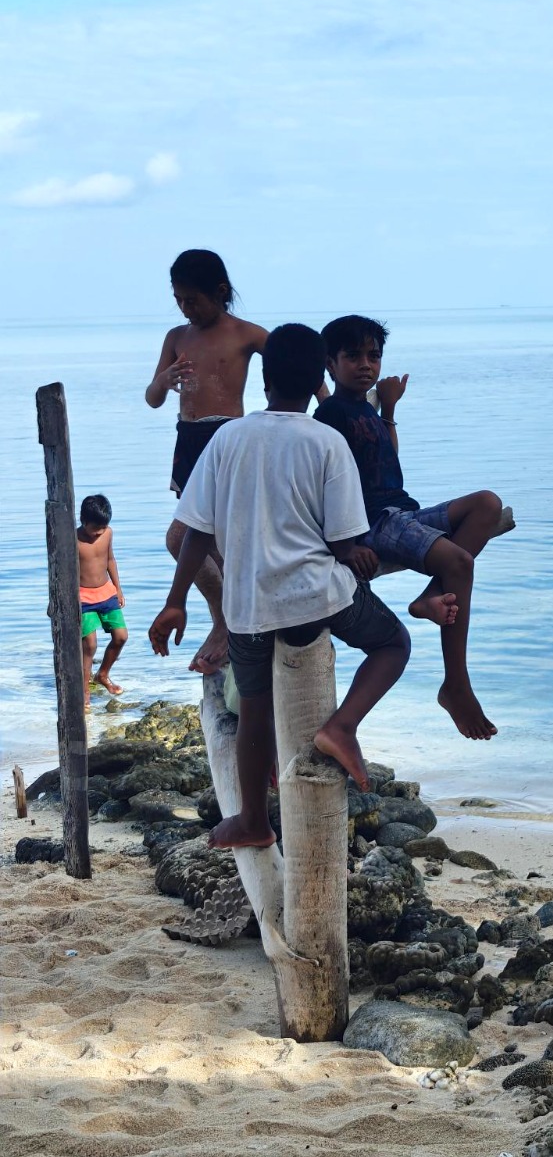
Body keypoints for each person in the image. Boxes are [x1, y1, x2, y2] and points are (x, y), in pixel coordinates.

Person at [148, 323, 411, 847]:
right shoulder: (327, 441)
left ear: (262, 379)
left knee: (255, 706)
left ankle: (253, 821)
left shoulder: (228, 437)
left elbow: (195, 529)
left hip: (248, 608)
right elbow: (344, 539)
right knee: (391, 644)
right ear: (320, 376)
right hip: (318, 597)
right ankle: (341, 727)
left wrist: (175, 602)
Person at [315, 314, 509, 743]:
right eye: (353, 357)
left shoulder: (364, 408)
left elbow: (388, 459)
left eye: (374, 356)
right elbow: (325, 483)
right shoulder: (329, 413)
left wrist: (389, 408)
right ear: (330, 363)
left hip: (401, 510)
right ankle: (455, 684)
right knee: (459, 562)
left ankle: (429, 595)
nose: (366, 364)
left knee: (487, 506)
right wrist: (345, 545)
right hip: (374, 522)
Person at [144, 249, 268, 677]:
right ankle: (228, 624)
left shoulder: (246, 334)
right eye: (178, 299)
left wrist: (325, 406)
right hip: (189, 438)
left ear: (220, 292)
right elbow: (153, 398)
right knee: (208, 543)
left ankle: (225, 625)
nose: (185, 307)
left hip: (228, 437)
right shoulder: (177, 337)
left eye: (192, 299)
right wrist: (164, 380)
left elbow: (295, 366)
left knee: (184, 538)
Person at [76, 493, 127, 701]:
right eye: (95, 528)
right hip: (83, 597)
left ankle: (102, 674)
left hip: (106, 592)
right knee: (89, 644)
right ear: (84, 521)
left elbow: (110, 560)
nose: (99, 533)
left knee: (121, 636)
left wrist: (118, 588)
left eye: (102, 528)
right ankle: (84, 691)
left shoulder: (107, 534)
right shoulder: (73, 539)